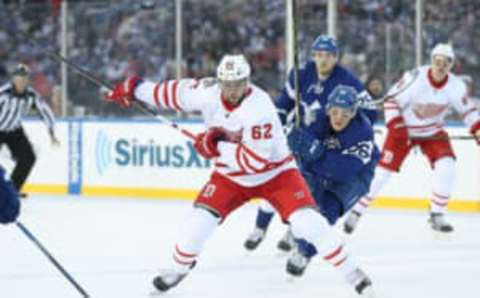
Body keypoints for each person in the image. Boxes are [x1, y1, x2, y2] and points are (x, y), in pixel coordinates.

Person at [106, 54, 374, 296]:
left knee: (309, 224)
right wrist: (136, 89)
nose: (233, 90)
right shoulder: (208, 91)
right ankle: (177, 269)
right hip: (230, 178)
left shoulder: (260, 109)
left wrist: (214, 146)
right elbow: (174, 93)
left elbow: (254, 162)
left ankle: (352, 272)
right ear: (220, 80)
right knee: (195, 227)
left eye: (239, 83)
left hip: (276, 174)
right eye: (228, 83)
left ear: (247, 81)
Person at [244, 35, 378, 253]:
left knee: (308, 188)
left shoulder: (347, 81)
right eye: (319, 55)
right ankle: (260, 227)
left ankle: (294, 231)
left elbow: (370, 114)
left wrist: (347, 127)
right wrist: (277, 126)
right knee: (276, 179)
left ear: (336, 57)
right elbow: (283, 105)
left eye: (329, 56)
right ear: (313, 55)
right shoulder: (301, 74)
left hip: (322, 143)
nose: (323, 60)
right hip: (297, 137)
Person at [343, 43, 480, 234]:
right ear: (431, 61)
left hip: (432, 132)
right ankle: (356, 211)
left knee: (447, 165)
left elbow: (468, 111)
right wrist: (397, 125)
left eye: (445, 63)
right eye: (437, 61)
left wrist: (477, 129)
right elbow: (391, 100)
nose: (440, 66)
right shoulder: (415, 78)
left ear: (451, 65)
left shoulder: (456, 86)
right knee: (381, 173)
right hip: (403, 129)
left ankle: (437, 213)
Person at [0, 64, 60, 195]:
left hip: (14, 130)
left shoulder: (31, 95)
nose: (21, 82)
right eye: (18, 78)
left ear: (28, 80)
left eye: (24, 79)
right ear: (13, 79)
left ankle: (12, 191)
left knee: (28, 158)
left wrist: (52, 133)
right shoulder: (3, 93)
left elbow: (45, 112)